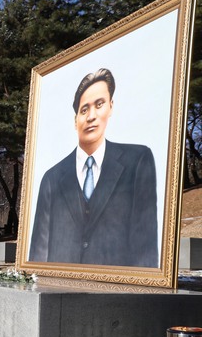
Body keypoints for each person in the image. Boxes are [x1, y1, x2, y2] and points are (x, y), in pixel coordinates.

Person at [29, 68, 158, 267]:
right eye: (83, 110)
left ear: (111, 107)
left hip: (116, 293)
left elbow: (145, 247)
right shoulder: (51, 178)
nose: (91, 116)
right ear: (75, 120)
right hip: (59, 291)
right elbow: (39, 252)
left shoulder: (137, 161)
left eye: (99, 105)